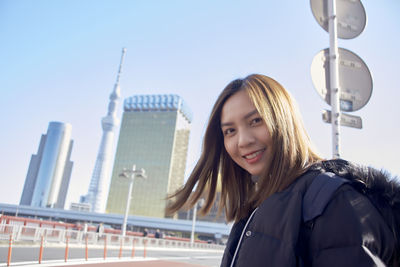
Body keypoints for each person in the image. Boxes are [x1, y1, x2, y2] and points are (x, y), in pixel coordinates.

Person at [166, 74, 399, 266]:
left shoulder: (330, 200)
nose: (242, 141)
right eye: (230, 131)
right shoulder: (257, 207)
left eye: (256, 121)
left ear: (284, 120)